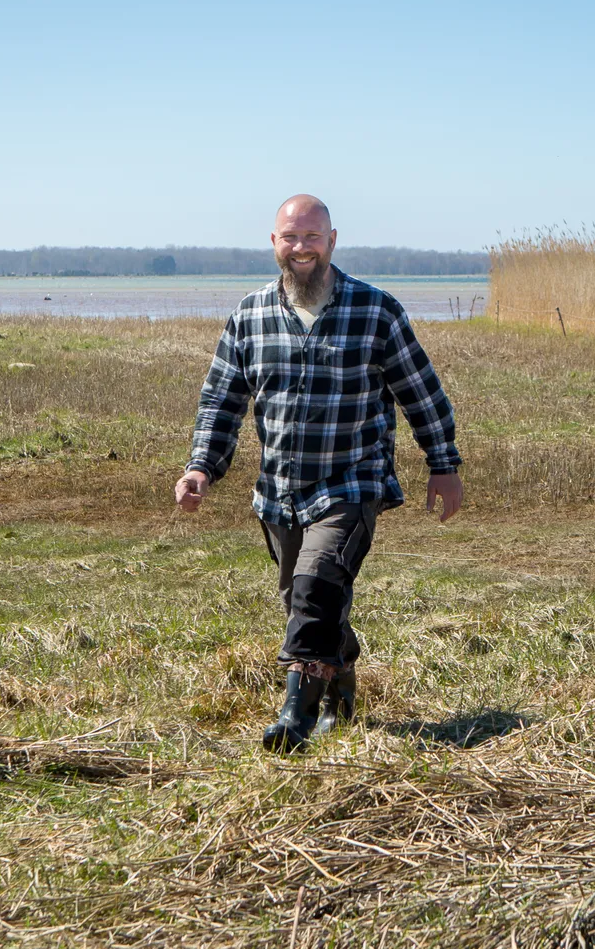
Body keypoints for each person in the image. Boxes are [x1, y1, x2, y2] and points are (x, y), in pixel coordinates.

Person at [175, 194, 464, 753]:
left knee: (315, 585)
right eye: (291, 237)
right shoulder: (250, 315)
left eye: (312, 237)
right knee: (303, 600)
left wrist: (443, 465)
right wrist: (200, 468)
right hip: (280, 492)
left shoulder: (376, 311)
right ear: (274, 243)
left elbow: (422, 394)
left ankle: (296, 715)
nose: (301, 247)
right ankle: (342, 688)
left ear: (333, 241)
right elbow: (221, 402)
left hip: (353, 484)